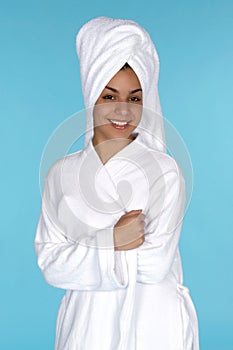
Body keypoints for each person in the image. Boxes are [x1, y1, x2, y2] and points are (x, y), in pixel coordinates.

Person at [35, 16, 199, 349]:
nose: (122, 111)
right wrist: (113, 238)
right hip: (86, 326)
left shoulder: (165, 172)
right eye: (109, 96)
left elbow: (154, 266)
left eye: (134, 98)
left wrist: (83, 254)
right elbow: (51, 265)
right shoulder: (61, 175)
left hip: (153, 325)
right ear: (90, 93)